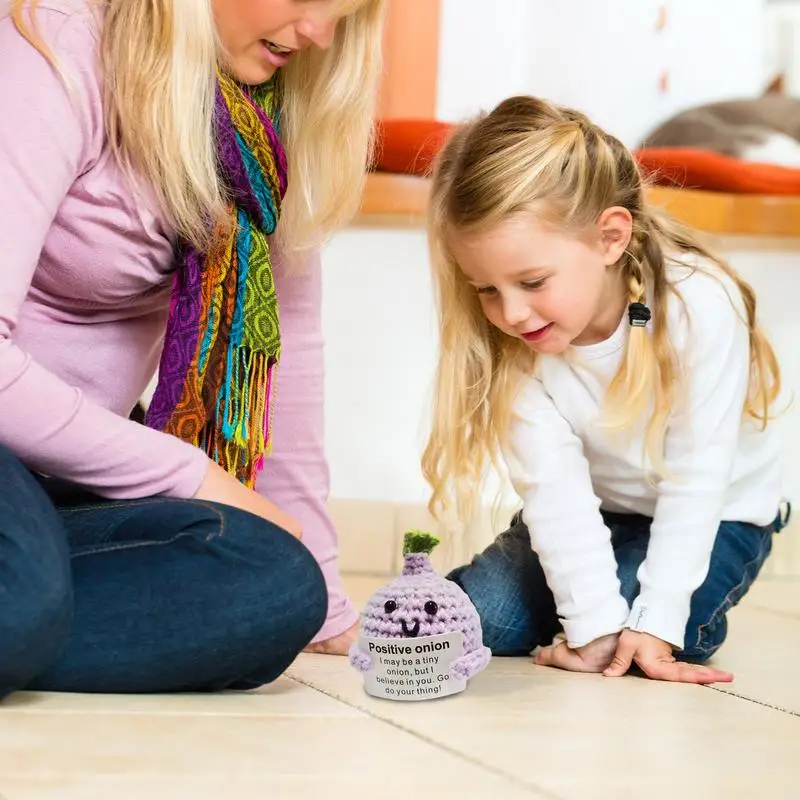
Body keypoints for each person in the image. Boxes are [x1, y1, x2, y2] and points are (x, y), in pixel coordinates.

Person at [0, 0, 385, 696]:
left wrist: (325, 590)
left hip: (55, 484)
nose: (321, 33)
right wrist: (190, 474)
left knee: (278, 586)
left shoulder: (261, 123)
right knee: (24, 590)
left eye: (345, 11)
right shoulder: (54, 42)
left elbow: (286, 346)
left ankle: (27, 615)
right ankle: (25, 609)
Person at [421, 95, 790, 684]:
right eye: (485, 289)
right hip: (600, 509)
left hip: (720, 514)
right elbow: (555, 490)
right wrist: (591, 630)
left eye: (532, 281)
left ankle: (643, 605)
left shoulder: (699, 306)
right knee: (478, 622)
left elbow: (698, 479)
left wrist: (656, 619)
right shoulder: (515, 346)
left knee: (649, 639)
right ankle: (595, 602)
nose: (511, 312)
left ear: (611, 239)